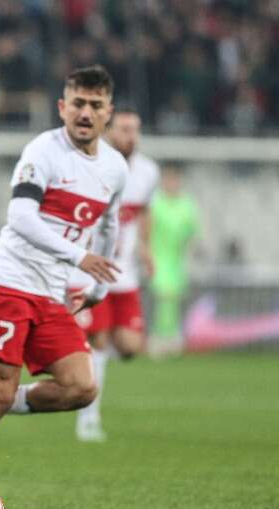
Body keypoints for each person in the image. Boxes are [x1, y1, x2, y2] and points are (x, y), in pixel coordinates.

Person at [0, 65, 128, 509]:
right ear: (62, 107)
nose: (85, 113)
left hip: (50, 293)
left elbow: (109, 224)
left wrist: (97, 286)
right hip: (5, 283)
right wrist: (80, 258)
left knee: (81, 388)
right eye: (78, 103)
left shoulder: (114, 167)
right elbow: (21, 217)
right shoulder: (44, 151)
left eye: (95, 105)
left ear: (107, 112)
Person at [68, 108, 160, 442]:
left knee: (131, 346)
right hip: (90, 273)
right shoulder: (93, 166)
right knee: (99, 342)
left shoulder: (148, 171)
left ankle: (85, 366)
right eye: (123, 129)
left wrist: (145, 248)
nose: (130, 136)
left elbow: (144, 211)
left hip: (125, 275)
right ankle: (88, 418)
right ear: (109, 131)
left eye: (135, 129)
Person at [149, 163, 198, 356]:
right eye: (168, 179)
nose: (171, 183)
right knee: (163, 295)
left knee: (173, 299)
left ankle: (171, 336)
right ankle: (160, 337)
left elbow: (192, 230)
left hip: (178, 260)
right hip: (158, 257)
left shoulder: (186, 204)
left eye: (174, 179)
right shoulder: (155, 202)